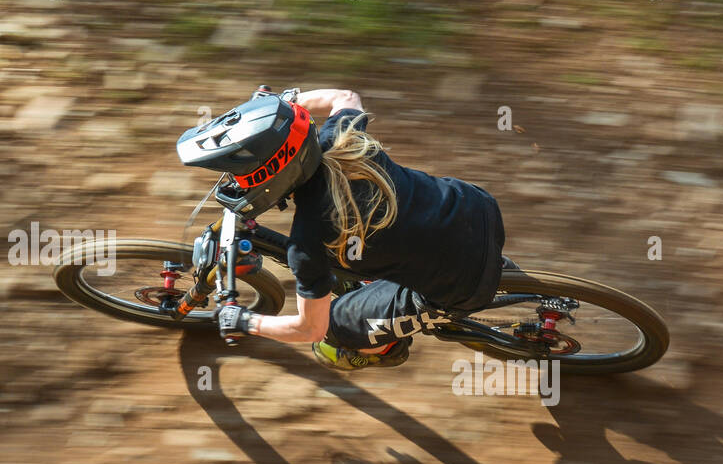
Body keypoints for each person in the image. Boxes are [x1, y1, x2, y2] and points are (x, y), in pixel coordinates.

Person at [215, 88, 508, 370]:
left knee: (334, 329)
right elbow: (345, 97)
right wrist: (283, 103)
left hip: (461, 285)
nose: (240, 182)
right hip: (478, 209)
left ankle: (383, 349)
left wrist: (245, 321)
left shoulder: (307, 240)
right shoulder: (341, 137)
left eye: (245, 177)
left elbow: (310, 329)